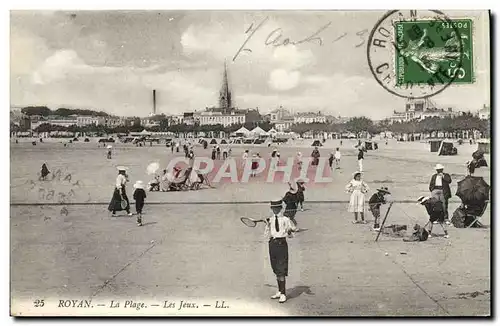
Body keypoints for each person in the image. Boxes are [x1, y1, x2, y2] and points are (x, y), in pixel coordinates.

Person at [264, 199, 294, 303]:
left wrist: (290, 232)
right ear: (271, 209)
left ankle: (283, 294)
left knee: (281, 269)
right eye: (273, 208)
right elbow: (266, 234)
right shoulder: (270, 220)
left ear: (281, 208)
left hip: (282, 244)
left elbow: (290, 235)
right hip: (272, 244)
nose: (275, 210)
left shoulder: (286, 219)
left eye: (277, 208)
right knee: (275, 268)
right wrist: (267, 225)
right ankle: (280, 291)